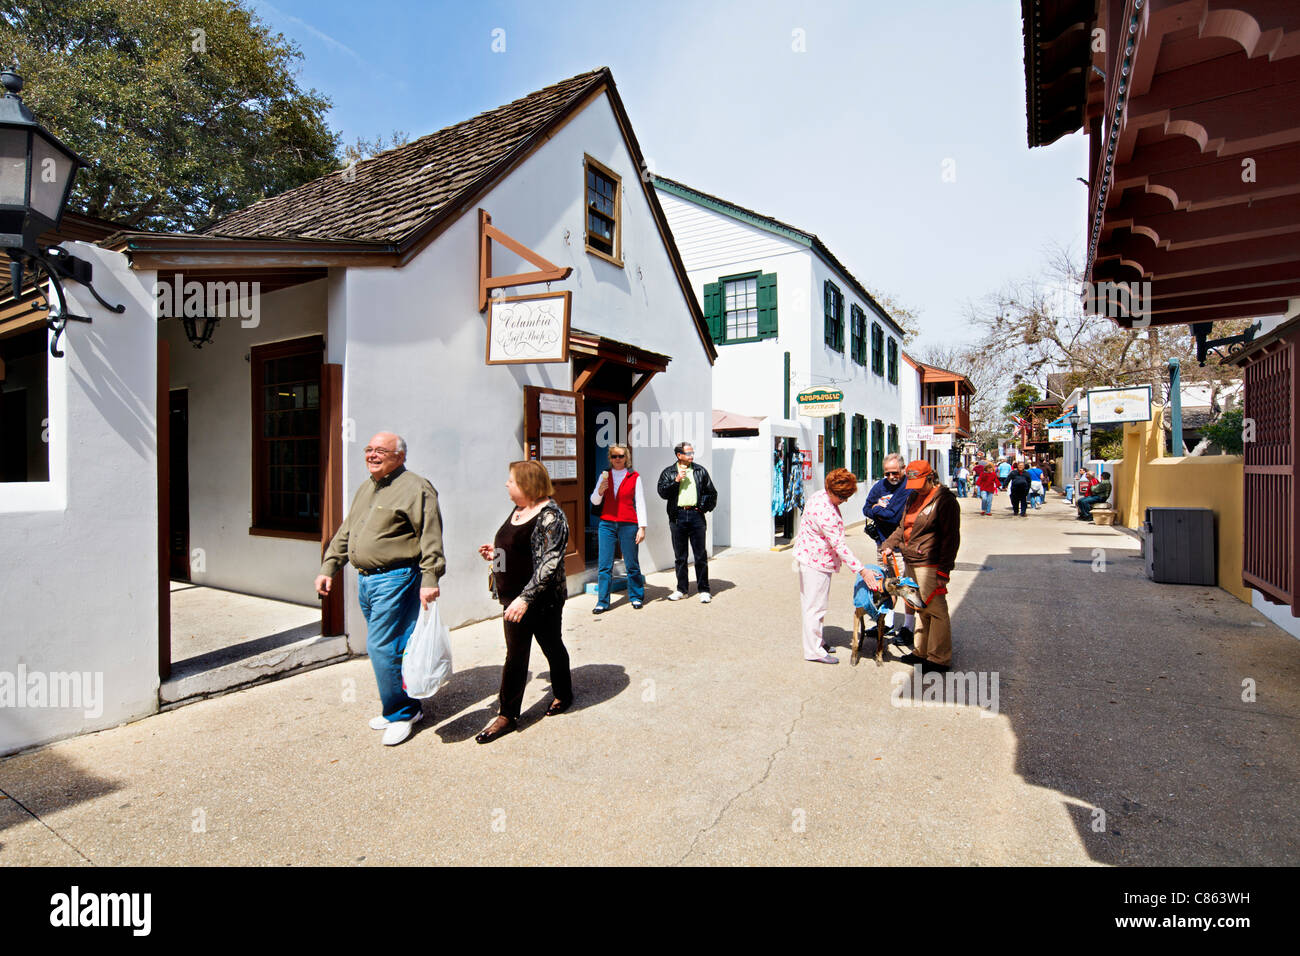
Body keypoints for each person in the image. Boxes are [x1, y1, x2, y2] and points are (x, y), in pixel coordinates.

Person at [315, 432, 444, 747]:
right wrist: (329, 566)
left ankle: (402, 713)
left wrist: (430, 579)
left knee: (381, 647)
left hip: (396, 578)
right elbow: (348, 531)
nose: (372, 455)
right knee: (392, 647)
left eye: (381, 451)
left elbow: (430, 535)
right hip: (367, 579)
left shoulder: (416, 488)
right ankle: (401, 707)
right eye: (369, 449)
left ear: (399, 456)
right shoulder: (368, 487)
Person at [475, 460, 572, 743]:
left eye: (512, 481)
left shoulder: (551, 516)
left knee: (552, 646)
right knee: (515, 655)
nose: (507, 484)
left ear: (528, 485)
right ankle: (507, 715)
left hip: (541, 600)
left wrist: (525, 599)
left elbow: (549, 563)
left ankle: (564, 694)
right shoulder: (519, 510)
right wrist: (497, 553)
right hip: (513, 599)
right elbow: (520, 547)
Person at [794, 467, 880, 664]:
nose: (844, 501)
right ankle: (813, 650)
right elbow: (839, 545)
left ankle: (817, 641)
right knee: (815, 607)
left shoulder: (818, 496)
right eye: (842, 497)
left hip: (810, 557)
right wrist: (862, 570)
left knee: (813, 604)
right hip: (816, 562)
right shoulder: (826, 512)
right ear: (833, 492)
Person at [882, 460, 961, 673]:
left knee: (935, 609)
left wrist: (944, 570)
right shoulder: (913, 497)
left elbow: (950, 538)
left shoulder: (945, 500)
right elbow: (902, 527)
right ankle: (921, 651)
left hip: (930, 562)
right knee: (919, 607)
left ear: (930, 478)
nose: (915, 488)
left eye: (919, 483)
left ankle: (938, 658)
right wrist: (889, 544)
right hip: (911, 560)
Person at [862, 453, 915, 642]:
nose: (892, 477)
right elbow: (866, 508)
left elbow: (894, 516)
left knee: (905, 585)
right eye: (887, 473)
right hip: (882, 543)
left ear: (903, 469)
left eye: (895, 472)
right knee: (886, 584)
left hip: (901, 545)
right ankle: (888, 623)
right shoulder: (880, 486)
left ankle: (908, 627)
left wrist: (878, 509)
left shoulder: (907, 488)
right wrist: (877, 509)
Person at [589, 444, 647, 613]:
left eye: (621, 456)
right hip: (606, 524)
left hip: (629, 524)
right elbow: (594, 501)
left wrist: (642, 527)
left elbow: (641, 503)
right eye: (614, 456)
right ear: (610, 458)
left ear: (626, 457)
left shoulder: (634, 477)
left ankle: (636, 596)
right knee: (604, 565)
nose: (617, 459)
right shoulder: (604, 476)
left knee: (631, 563)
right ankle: (602, 601)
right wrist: (600, 491)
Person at [657, 441, 717, 603]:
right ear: (679, 455)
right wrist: (676, 480)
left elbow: (712, 493)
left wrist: (701, 508)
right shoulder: (669, 472)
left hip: (696, 516)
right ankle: (681, 590)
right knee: (680, 557)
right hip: (678, 517)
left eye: (692, 452)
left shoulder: (700, 471)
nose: (692, 455)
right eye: (688, 453)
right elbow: (662, 493)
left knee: (700, 555)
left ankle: (704, 589)